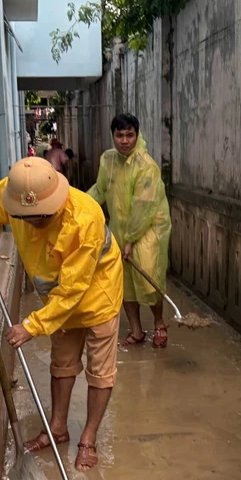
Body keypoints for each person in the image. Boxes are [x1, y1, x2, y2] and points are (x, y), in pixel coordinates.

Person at [0, 157, 124, 471]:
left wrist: (31, 325)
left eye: (41, 216)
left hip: (97, 293)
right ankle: (57, 428)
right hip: (58, 299)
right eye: (26, 217)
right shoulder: (12, 195)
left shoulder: (84, 218)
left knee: (100, 369)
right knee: (62, 361)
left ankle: (89, 438)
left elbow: (73, 290)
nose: (34, 223)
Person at [87, 113, 172, 348]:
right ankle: (136, 331)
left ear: (137, 135)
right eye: (120, 135)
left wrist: (131, 240)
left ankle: (159, 323)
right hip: (120, 230)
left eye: (129, 135)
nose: (125, 141)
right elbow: (100, 189)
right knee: (124, 283)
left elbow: (143, 206)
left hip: (148, 231)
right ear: (113, 136)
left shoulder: (147, 166)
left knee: (148, 278)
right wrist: (80, 205)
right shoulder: (107, 160)